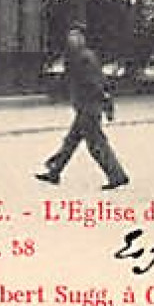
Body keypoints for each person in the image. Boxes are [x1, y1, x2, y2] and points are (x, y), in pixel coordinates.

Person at [36, 26, 128, 190]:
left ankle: (117, 175)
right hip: (84, 105)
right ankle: (54, 171)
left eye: (76, 37)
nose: (72, 40)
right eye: (70, 36)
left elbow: (96, 83)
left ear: (82, 39)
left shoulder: (83, 58)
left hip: (89, 107)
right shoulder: (79, 56)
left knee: (96, 144)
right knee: (70, 141)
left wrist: (105, 103)